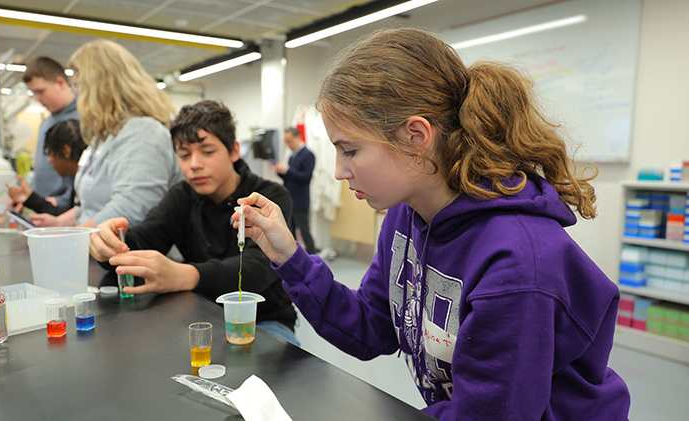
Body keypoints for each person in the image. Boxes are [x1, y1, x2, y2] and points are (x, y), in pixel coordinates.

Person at [234, 28, 630, 419]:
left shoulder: (517, 262)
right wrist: (289, 256)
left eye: (350, 151)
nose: (339, 171)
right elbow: (372, 327)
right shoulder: (405, 216)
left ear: (416, 137)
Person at [88, 100, 298, 344]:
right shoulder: (182, 196)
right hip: (199, 313)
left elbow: (257, 268)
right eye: (184, 155)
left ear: (233, 151)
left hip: (264, 321)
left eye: (207, 152)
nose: (194, 165)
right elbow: (143, 241)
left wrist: (187, 275)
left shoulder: (269, 197)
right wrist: (111, 244)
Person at [29, 39, 182, 228]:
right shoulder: (107, 135)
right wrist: (60, 222)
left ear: (99, 88)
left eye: (78, 87)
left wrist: (73, 236)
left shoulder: (143, 133)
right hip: (96, 247)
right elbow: (93, 205)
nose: (77, 96)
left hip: (128, 252)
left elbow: (131, 208)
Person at [23, 57, 78, 208]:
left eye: (40, 91)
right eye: (33, 93)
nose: (37, 98)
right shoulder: (47, 123)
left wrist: (62, 201)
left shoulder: (81, 120)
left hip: (65, 209)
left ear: (60, 83)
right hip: (43, 205)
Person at [8, 119, 85, 215]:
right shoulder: (79, 180)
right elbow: (65, 217)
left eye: (50, 153)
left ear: (66, 151)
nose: (49, 160)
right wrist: (29, 198)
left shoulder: (86, 184)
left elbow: (70, 221)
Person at [274, 127, 317, 254]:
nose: (288, 145)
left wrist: (287, 170)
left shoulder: (308, 154)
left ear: (298, 137)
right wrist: (281, 172)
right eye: (286, 142)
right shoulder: (292, 156)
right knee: (290, 231)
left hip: (301, 200)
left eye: (289, 141)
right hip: (289, 199)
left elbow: (306, 177)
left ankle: (313, 257)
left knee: (304, 231)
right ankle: (295, 256)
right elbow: (290, 178)